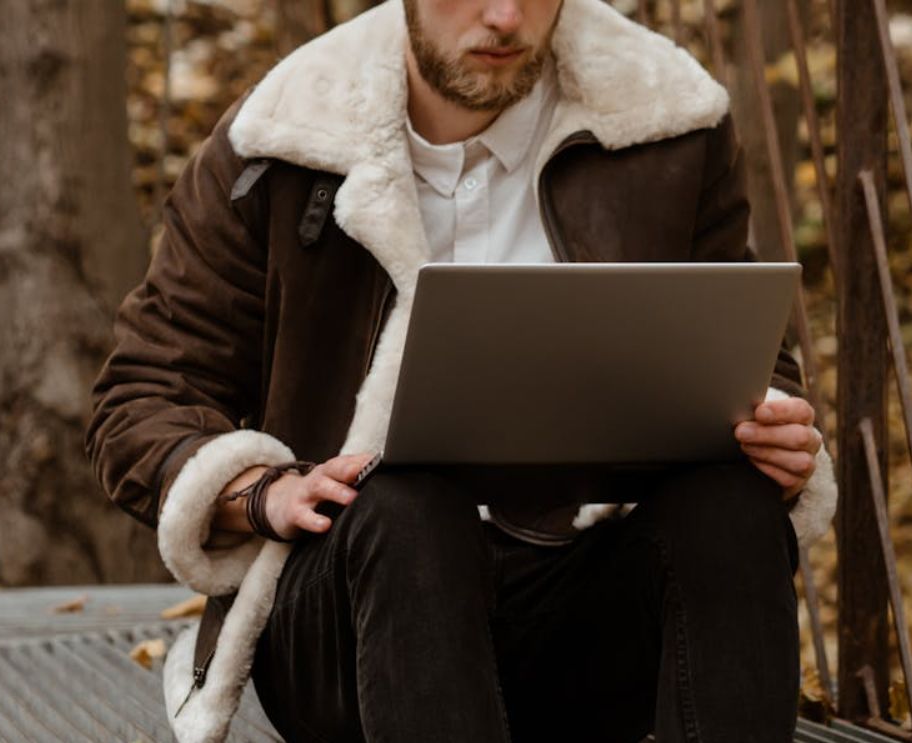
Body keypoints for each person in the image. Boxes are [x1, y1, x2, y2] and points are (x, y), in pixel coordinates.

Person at [85, 0, 837, 741]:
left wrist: (770, 429)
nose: (504, 16)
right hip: (358, 612)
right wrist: (261, 493)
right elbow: (143, 394)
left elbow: (745, 356)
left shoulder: (666, 121)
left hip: (586, 613)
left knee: (731, 501)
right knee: (405, 506)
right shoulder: (280, 138)